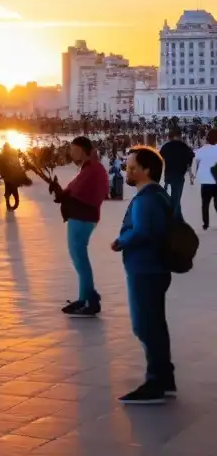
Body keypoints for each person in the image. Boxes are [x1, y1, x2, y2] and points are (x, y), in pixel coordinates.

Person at [112, 146, 176, 404]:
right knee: (156, 323)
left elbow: (141, 231)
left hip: (145, 268)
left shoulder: (146, 199)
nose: (127, 171)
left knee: (144, 325)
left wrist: (120, 241)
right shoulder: (159, 195)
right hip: (156, 267)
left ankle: (155, 382)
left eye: (131, 167)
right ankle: (165, 375)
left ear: (146, 170)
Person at [48, 136, 108, 317]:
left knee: (80, 259)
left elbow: (81, 192)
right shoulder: (90, 168)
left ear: (82, 150)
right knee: (79, 258)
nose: (70, 153)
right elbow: (74, 187)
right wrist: (62, 192)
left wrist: (63, 194)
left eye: (73, 149)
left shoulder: (92, 170)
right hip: (83, 217)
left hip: (82, 218)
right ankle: (86, 296)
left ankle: (89, 299)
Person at [160, 127, 195, 218]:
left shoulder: (166, 146)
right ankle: (174, 217)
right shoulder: (184, 147)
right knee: (176, 196)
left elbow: (160, 159)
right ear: (180, 135)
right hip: (179, 175)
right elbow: (189, 163)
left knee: (172, 197)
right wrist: (191, 175)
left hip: (168, 175)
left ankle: (176, 216)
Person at [193, 129, 217, 231]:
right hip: (216, 180)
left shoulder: (203, 149)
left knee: (205, 204)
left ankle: (205, 224)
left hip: (206, 180)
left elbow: (196, 158)